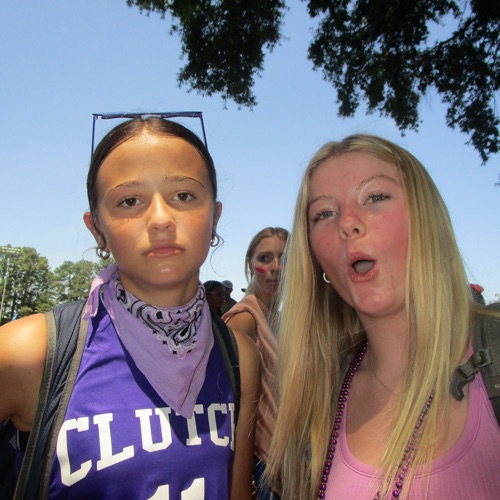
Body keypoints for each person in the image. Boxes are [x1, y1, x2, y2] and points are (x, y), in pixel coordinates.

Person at [0, 116, 260, 499]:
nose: (161, 220)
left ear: (214, 217)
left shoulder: (240, 357)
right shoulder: (28, 352)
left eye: (184, 195)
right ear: (97, 229)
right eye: (129, 201)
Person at [266, 134, 500, 499]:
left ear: (426, 217)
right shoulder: (319, 399)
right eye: (324, 214)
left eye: (375, 197)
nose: (347, 223)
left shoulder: (493, 355)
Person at [223, 227, 289, 499]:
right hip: (258, 464)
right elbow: (226, 404)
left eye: (285, 259)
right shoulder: (245, 318)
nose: (276, 267)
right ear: (250, 265)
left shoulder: (278, 317)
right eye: (265, 258)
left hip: (282, 458)